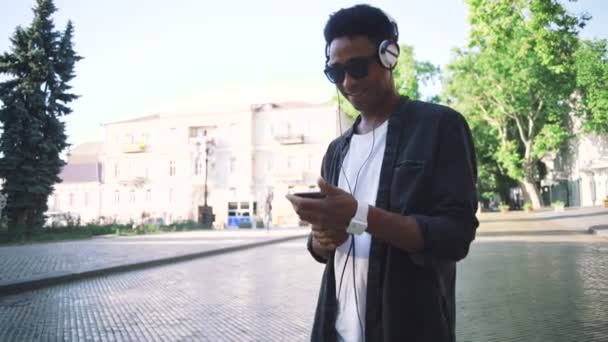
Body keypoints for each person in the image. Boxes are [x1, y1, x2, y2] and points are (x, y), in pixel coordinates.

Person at [285, 4, 479, 342]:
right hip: (336, 330)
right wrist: (320, 241)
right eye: (335, 73)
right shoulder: (336, 151)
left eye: (358, 68)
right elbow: (323, 248)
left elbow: (455, 235)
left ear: (389, 56)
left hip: (409, 328)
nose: (347, 82)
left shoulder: (439, 126)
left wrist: (359, 216)